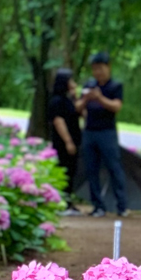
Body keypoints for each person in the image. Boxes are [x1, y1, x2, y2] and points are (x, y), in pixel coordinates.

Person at [80, 52, 127, 216]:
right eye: (94, 69)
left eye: (100, 68)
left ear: (108, 68)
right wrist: (86, 99)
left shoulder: (115, 87)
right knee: (91, 169)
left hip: (107, 132)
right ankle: (98, 205)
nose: (97, 72)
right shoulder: (89, 85)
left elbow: (116, 106)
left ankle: (121, 206)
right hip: (90, 131)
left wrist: (100, 98)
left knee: (114, 168)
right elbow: (78, 108)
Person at [46, 70, 82, 210]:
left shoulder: (69, 100)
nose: (74, 84)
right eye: (71, 81)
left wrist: (76, 98)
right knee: (65, 169)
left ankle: (68, 200)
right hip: (63, 142)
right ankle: (63, 201)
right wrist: (68, 141)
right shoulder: (57, 101)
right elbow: (58, 121)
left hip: (73, 139)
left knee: (71, 170)